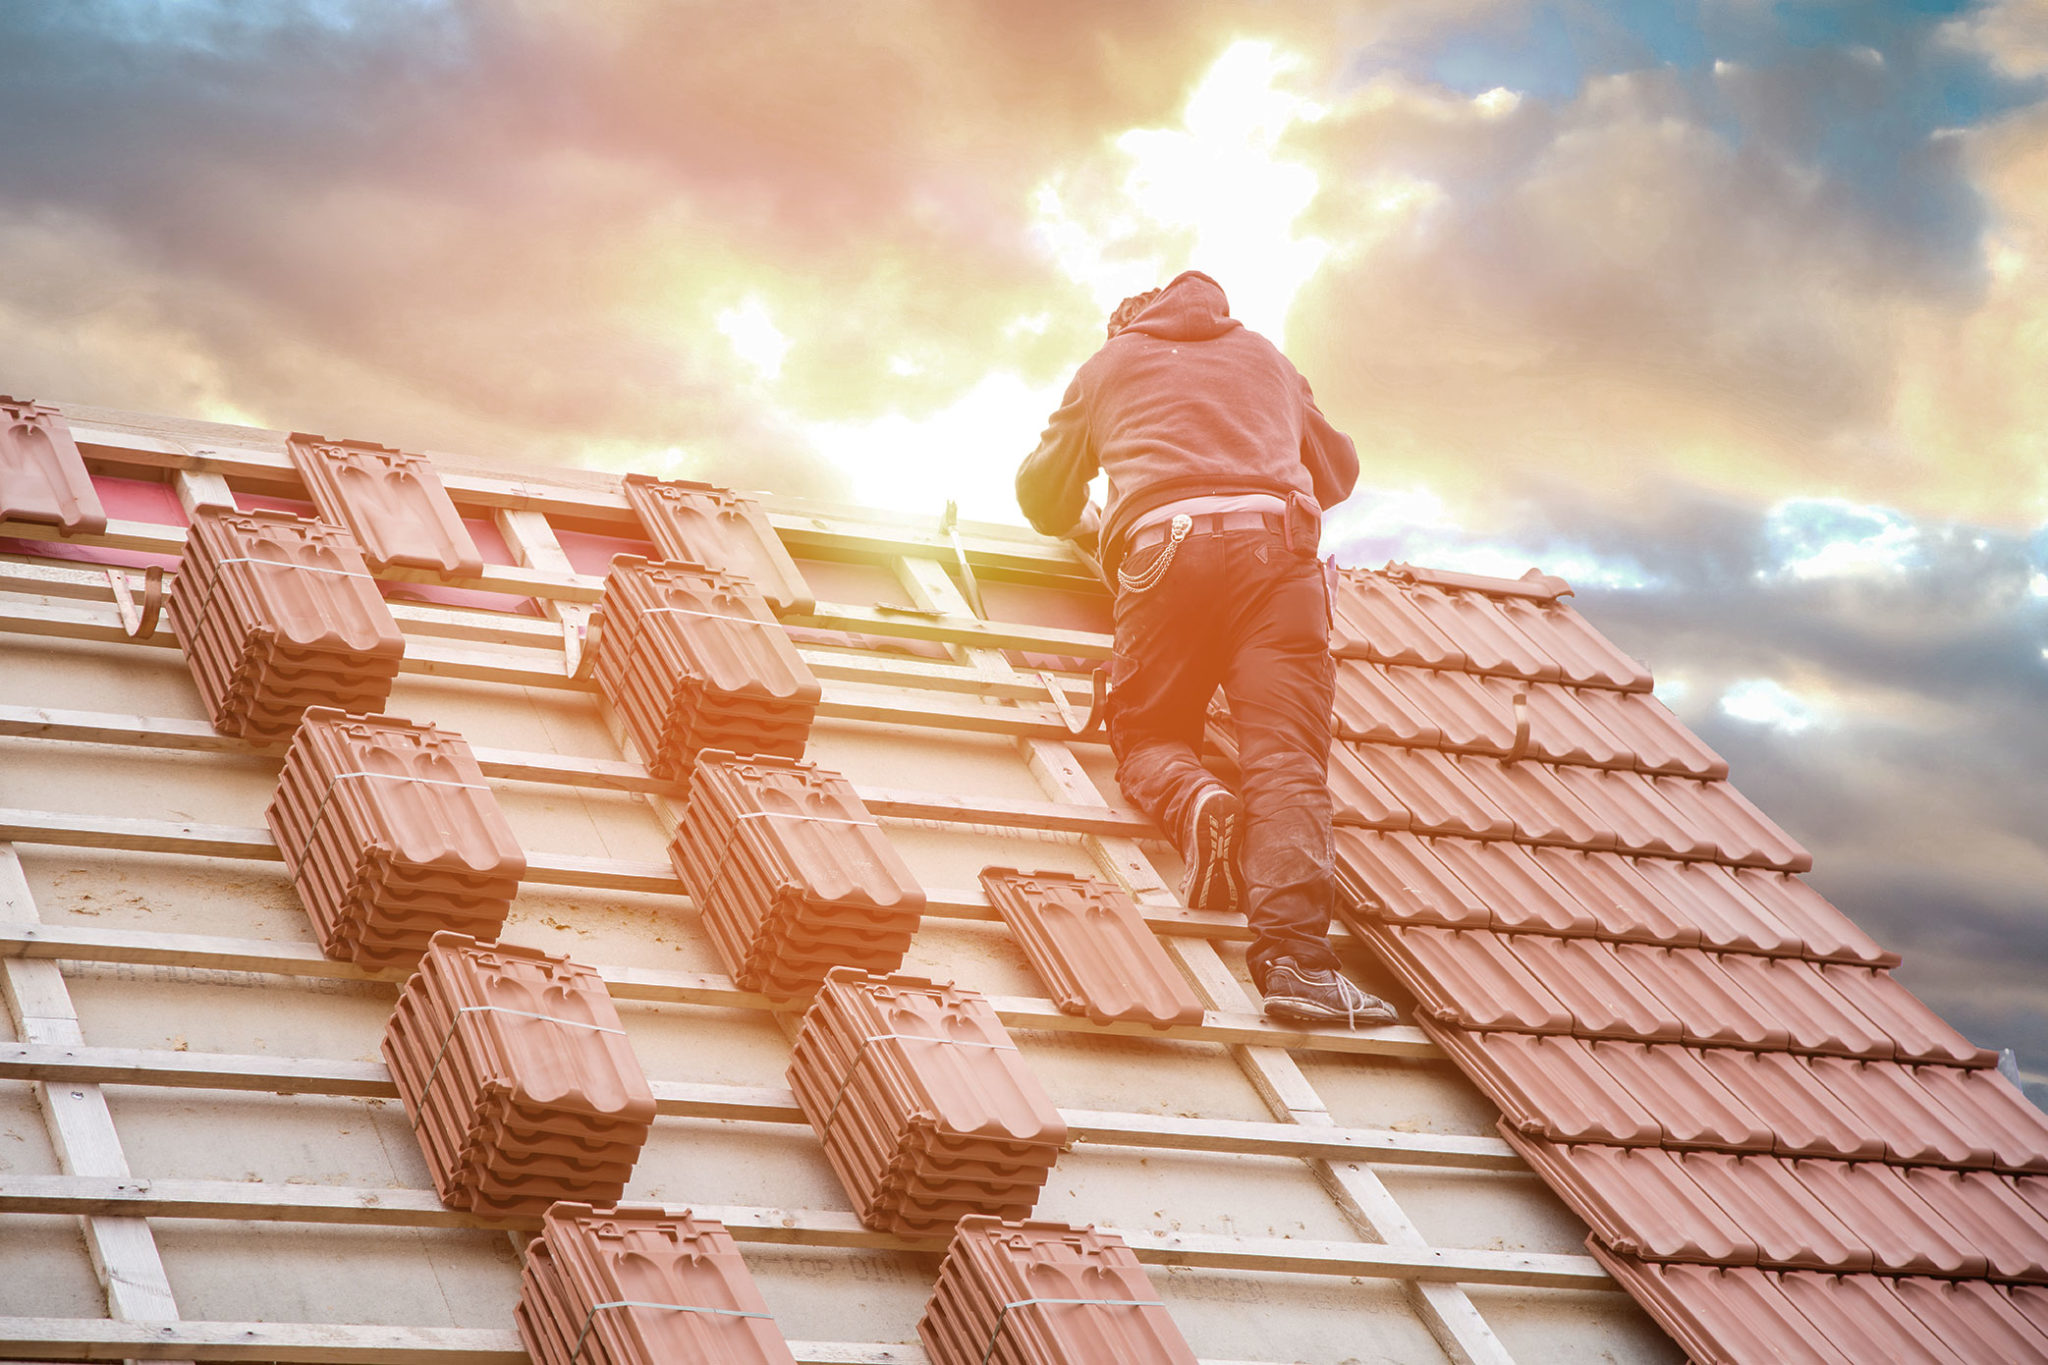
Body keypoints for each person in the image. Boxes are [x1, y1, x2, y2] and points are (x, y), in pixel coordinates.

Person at [1015, 270, 1396, 1026]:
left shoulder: (1109, 364)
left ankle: (1197, 799)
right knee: (1285, 758)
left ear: (1126, 325)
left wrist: (1110, 498)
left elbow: (1042, 498)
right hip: (1278, 555)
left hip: (1165, 553)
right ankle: (1300, 969)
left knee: (1151, 730)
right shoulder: (1267, 358)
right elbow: (1340, 472)